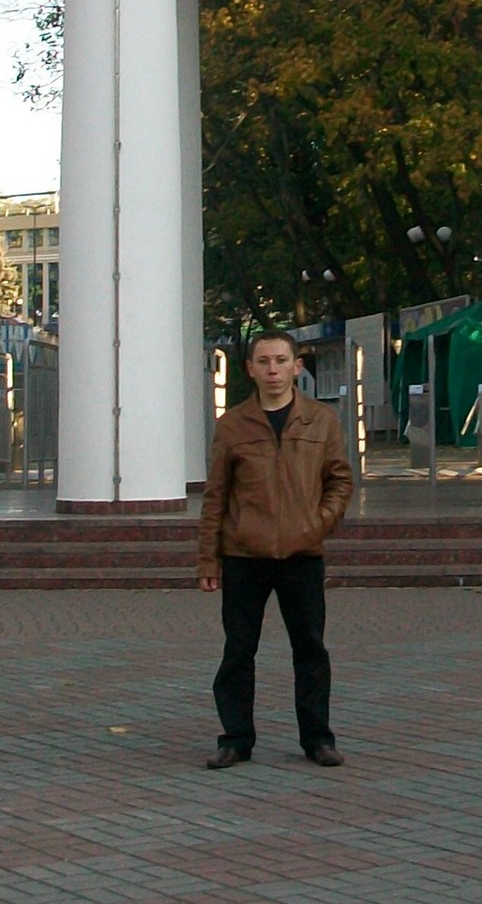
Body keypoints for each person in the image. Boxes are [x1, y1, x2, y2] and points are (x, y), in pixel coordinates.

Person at [197, 329, 355, 770]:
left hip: (302, 555)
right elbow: (216, 497)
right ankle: (235, 739)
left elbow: (340, 481)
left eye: (281, 361)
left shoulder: (320, 420)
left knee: (310, 649)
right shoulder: (233, 426)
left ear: (297, 367)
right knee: (238, 651)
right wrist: (208, 558)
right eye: (264, 361)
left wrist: (317, 524)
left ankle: (318, 739)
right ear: (250, 369)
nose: (273, 370)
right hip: (244, 555)